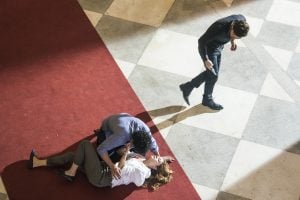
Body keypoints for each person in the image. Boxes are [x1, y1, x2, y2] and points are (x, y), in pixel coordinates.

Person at [28, 140, 174, 190]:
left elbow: (121, 168)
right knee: (73, 157)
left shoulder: (141, 173)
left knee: (85, 145)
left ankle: (71, 173)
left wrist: (126, 153)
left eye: (158, 160)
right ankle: (37, 163)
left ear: (155, 168)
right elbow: (119, 153)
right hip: (102, 167)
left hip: (101, 177)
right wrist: (166, 158)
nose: (157, 157)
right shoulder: (142, 159)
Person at [179, 14, 250, 110]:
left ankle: (188, 87)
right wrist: (205, 59)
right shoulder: (218, 28)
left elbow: (234, 35)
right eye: (233, 35)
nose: (233, 37)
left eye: (237, 37)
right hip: (210, 49)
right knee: (213, 75)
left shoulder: (241, 19)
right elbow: (201, 41)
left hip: (219, 46)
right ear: (232, 27)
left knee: (212, 74)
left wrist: (233, 41)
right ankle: (206, 99)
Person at [95, 113, 160, 180]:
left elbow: (152, 142)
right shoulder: (121, 136)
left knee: (138, 152)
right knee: (108, 156)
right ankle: (100, 134)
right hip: (107, 129)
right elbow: (101, 149)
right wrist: (112, 166)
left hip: (123, 120)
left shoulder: (146, 131)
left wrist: (157, 153)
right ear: (132, 141)